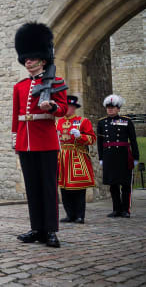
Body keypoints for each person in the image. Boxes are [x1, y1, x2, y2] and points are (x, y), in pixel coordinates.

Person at [12, 22, 67, 248]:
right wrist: (15, 138)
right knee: (32, 186)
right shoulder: (20, 86)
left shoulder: (57, 82)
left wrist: (52, 107)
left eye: (33, 58)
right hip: (26, 141)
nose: (28, 61)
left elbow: (63, 109)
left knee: (48, 187)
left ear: (43, 60)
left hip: (45, 140)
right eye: (26, 58)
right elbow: (16, 115)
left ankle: (51, 230)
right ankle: (36, 228)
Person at [97, 94, 140, 218]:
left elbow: (133, 140)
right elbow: (100, 143)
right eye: (108, 107)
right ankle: (116, 209)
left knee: (125, 184)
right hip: (109, 156)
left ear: (118, 109)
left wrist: (136, 157)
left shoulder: (126, 121)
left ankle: (125, 209)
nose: (110, 109)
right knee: (113, 184)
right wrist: (101, 158)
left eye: (113, 107)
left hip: (124, 156)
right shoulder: (102, 122)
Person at [56, 95, 95, 224]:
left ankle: (80, 215)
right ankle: (69, 214)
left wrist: (80, 136)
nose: (68, 109)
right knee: (64, 188)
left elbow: (92, 139)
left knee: (78, 188)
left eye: (70, 107)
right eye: (66, 107)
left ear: (74, 108)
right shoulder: (58, 122)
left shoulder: (83, 121)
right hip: (62, 157)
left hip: (77, 156)